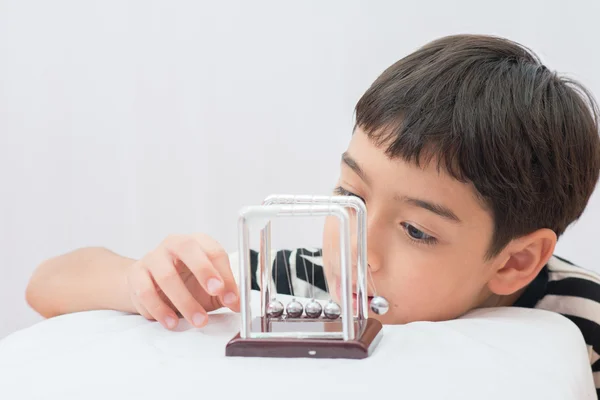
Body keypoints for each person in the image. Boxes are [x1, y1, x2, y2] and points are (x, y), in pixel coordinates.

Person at [26, 34, 600, 395]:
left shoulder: (583, 322)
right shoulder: (307, 277)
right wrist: (139, 280)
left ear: (516, 259)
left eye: (417, 230)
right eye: (349, 196)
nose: (357, 247)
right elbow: (46, 286)